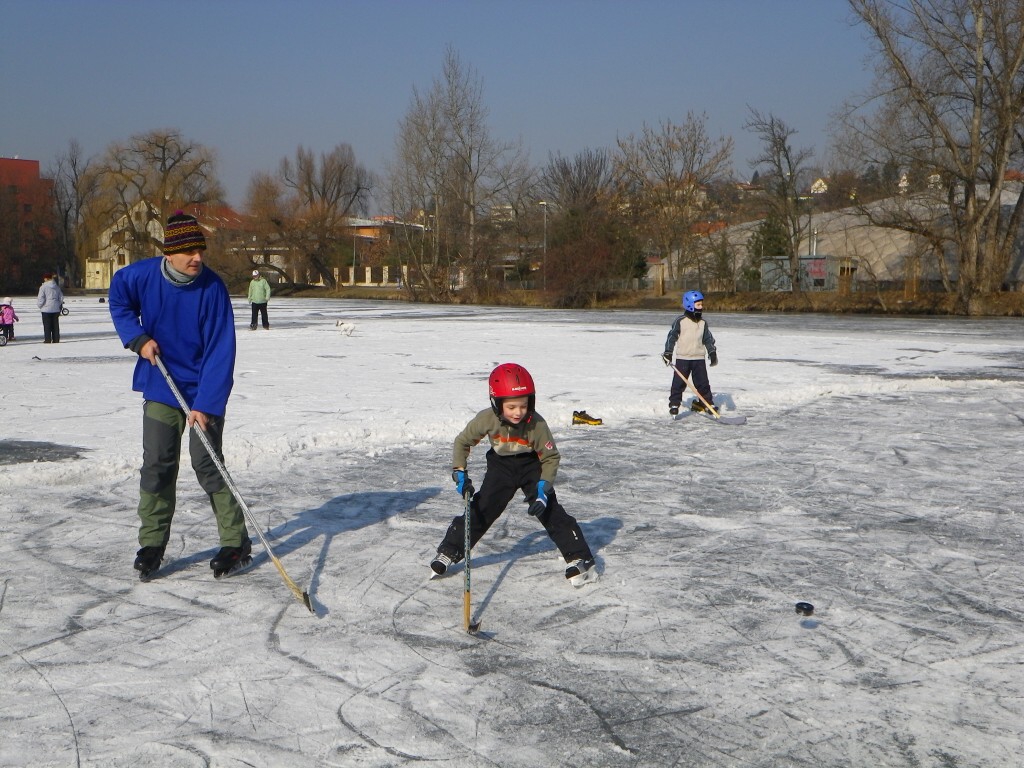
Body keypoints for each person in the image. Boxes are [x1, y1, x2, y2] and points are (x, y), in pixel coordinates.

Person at [108, 210, 251, 580]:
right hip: (161, 384)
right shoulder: (140, 277)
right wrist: (137, 338)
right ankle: (152, 544)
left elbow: (221, 351)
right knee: (157, 462)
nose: (197, 258)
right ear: (169, 254)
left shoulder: (212, 289)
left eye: (200, 250)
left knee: (207, 463)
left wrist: (206, 404)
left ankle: (236, 541)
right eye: (188, 252)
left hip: (204, 388)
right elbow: (119, 298)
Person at [430, 363, 598, 586]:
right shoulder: (486, 419)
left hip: (532, 466)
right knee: (481, 508)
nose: (518, 412)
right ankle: (449, 551)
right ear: (497, 403)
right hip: (501, 467)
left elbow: (550, 457)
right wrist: (459, 473)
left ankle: (579, 557)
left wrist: (543, 489)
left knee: (549, 511)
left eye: (523, 405)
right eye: (511, 407)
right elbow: (462, 442)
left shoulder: (536, 424)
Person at [662, 290, 717, 416]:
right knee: (678, 383)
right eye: (698, 305)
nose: (701, 307)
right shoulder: (681, 321)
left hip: (698, 358)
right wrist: (668, 352)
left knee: (703, 383)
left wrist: (712, 353)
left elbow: (708, 339)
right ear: (690, 305)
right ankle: (674, 404)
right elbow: (671, 337)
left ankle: (707, 403)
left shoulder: (703, 323)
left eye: (702, 304)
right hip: (683, 358)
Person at [37, 273, 64, 343]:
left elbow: (41, 298)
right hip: (55, 308)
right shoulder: (56, 286)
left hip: (46, 309)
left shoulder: (43, 287)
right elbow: (61, 297)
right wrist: (58, 304)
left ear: (46, 278)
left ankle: (48, 339)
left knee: (47, 325)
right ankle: (56, 339)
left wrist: (40, 305)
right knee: (55, 325)